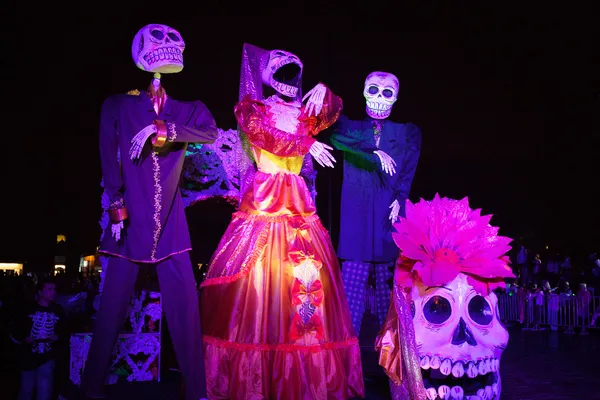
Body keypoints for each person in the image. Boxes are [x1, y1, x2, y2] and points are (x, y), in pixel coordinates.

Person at [200, 44, 364, 399]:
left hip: (299, 201)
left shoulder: (304, 113)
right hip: (267, 198)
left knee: (303, 281)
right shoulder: (253, 109)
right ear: (267, 77)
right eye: (283, 72)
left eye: (295, 73)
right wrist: (306, 143)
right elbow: (267, 139)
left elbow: (332, 112)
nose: (290, 80)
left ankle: (304, 377)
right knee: (260, 281)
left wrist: (326, 93)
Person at [83, 24, 217, 400]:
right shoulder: (119, 105)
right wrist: (115, 206)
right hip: (129, 226)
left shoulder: (187, 110)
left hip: (172, 230)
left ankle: (198, 392)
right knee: (110, 312)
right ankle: (90, 388)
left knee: (187, 315)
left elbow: (209, 133)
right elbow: (108, 157)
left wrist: (165, 128)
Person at [331, 71, 421, 336]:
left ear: (396, 98)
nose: (379, 98)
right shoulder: (349, 127)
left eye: (387, 92)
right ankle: (346, 370)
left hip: (387, 219)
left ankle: (395, 369)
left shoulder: (406, 132)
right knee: (350, 304)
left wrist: (400, 199)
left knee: (390, 303)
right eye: (373, 90)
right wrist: (374, 151)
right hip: (356, 222)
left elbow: (408, 170)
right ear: (363, 92)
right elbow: (335, 137)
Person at [11, 278, 66, 400]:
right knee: (26, 389)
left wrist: (58, 337)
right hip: (28, 356)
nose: (53, 292)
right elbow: (15, 328)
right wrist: (24, 338)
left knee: (45, 388)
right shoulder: (27, 309)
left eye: (54, 289)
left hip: (48, 355)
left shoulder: (58, 310)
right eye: (49, 289)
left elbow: (64, 330)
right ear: (40, 292)